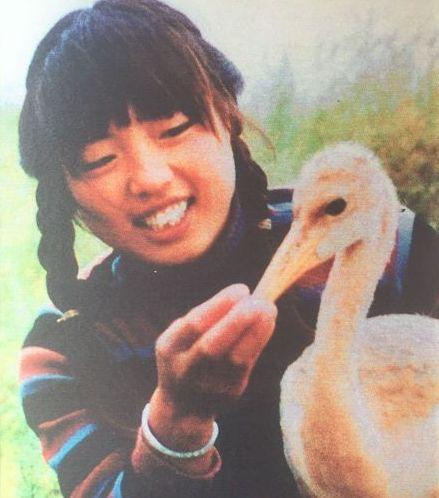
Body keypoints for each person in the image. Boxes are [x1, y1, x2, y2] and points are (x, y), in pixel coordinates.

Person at [18, 1, 438, 497]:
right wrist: (177, 423)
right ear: (65, 196)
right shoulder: (64, 347)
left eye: (174, 129)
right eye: (100, 159)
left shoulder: (378, 243)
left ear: (228, 115)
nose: (150, 178)